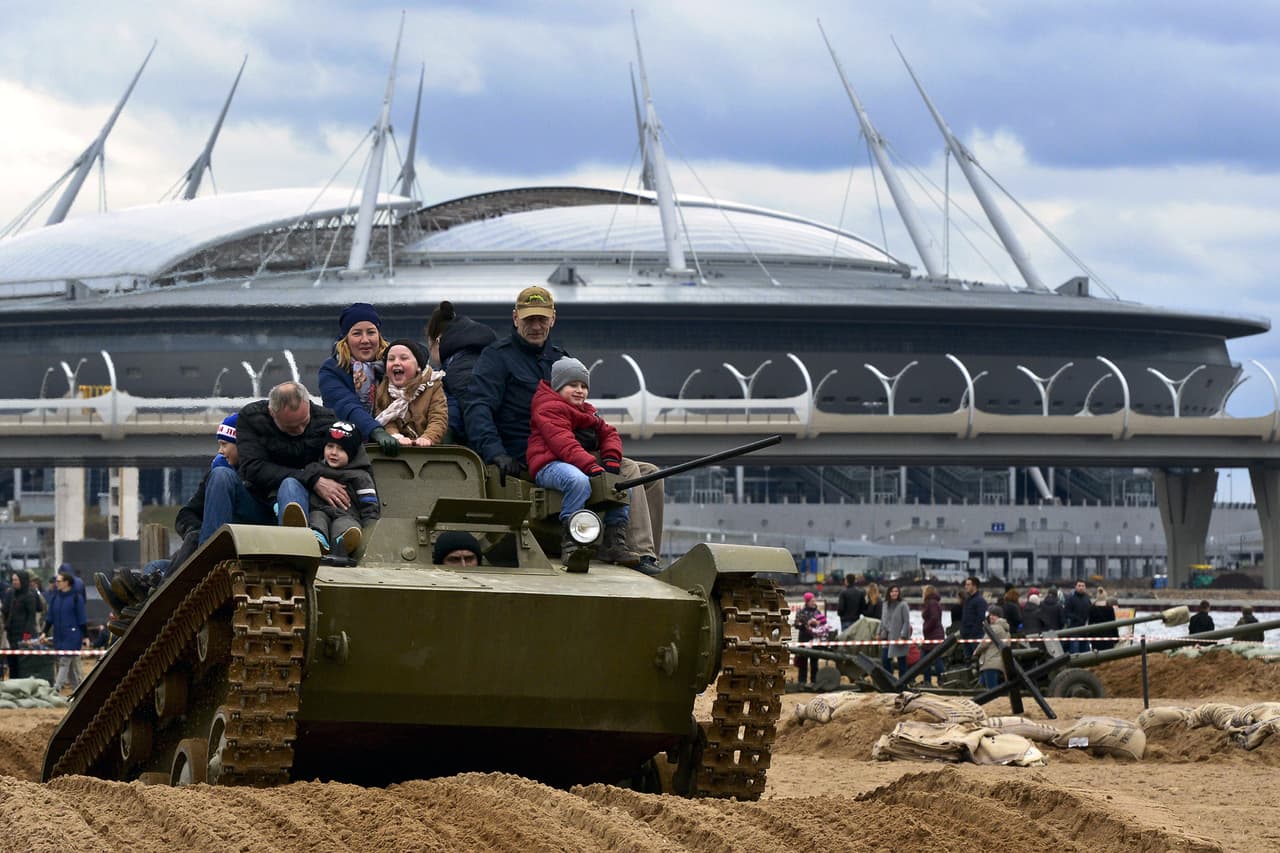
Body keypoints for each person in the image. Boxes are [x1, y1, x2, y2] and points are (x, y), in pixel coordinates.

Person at [464, 286, 663, 570]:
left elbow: (580, 411)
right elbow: (478, 408)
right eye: (529, 319)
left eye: (541, 319)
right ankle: (632, 552)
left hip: (569, 450)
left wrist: (593, 438)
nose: (535, 326)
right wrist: (495, 452)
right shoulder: (497, 358)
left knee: (651, 476)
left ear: (553, 319)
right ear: (515, 318)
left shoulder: (560, 360)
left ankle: (647, 555)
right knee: (627, 470)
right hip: (530, 456)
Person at [527, 356, 639, 564]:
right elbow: (564, 442)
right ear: (558, 386)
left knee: (621, 486)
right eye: (572, 385)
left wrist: (611, 460)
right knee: (577, 482)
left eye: (583, 386)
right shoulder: (548, 407)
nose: (579, 390)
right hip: (549, 465)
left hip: (576, 463)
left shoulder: (588, 411)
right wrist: (591, 467)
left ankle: (613, 542)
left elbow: (610, 434)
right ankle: (572, 541)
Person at [236, 380, 339, 535]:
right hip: (260, 499)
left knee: (291, 486)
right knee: (220, 475)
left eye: (304, 423)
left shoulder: (327, 421)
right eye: (290, 427)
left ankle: (296, 543)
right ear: (272, 413)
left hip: (311, 502)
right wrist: (310, 478)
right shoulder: (251, 418)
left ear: (309, 405)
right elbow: (252, 468)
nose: (299, 430)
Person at [317, 302, 399, 455]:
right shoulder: (332, 369)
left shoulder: (395, 363)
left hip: (398, 444)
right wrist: (376, 431)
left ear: (379, 335)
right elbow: (346, 405)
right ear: (345, 338)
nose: (365, 340)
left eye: (371, 332)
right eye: (357, 333)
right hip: (348, 449)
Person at [303, 421, 381, 556]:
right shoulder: (315, 469)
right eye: (330, 446)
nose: (333, 452)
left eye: (341, 449)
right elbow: (301, 476)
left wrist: (371, 531)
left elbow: (370, 507)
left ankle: (343, 541)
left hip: (347, 515)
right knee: (316, 519)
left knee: (346, 525)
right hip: (320, 510)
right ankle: (317, 541)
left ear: (352, 453)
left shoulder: (360, 477)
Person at [426, 300, 496, 445]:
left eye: (430, 345)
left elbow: (476, 411)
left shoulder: (458, 369)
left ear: (438, 341)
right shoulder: (483, 357)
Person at [373, 338, 448, 447]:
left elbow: (439, 417)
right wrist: (395, 435)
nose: (396, 362)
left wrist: (428, 437)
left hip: (430, 450)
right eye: (391, 359)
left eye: (404, 358)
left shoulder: (433, 386)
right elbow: (384, 419)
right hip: (397, 451)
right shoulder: (383, 389)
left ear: (418, 366)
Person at [44, 570, 86, 693]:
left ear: (67, 583)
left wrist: (86, 636)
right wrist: (44, 632)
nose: (56, 583)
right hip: (59, 635)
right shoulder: (55, 598)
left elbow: (82, 619)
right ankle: (78, 690)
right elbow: (49, 618)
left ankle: (56, 689)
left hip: (72, 636)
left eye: (58, 581)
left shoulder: (77, 598)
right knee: (71, 666)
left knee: (64, 662)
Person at [3, 570, 40, 678]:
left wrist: (26, 636)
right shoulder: (10, 593)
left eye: (16, 580)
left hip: (23, 636)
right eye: (13, 580)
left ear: (22, 581)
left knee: (23, 664)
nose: (14, 582)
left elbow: (31, 618)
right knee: (12, 663)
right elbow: (5, 610)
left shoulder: (29, 596)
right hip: (11, 635)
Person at [877, 584, 912, 678]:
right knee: (885, 659)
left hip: (898, 637)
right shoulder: (885, 604)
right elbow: (882, 620)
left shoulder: (903, 605)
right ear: (889, 593)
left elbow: (906, 622)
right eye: (892, 591)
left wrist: (903, 636)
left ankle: (903, 681)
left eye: (896, 591)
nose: (894, 593)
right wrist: (878, 633)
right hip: (886, 637)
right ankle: (889, 679)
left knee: (901, 661)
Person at [974, 605, 1010, 689]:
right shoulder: (1005, 629)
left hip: (990, 661)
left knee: (991, 689)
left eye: (994, 615)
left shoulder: (994, 628)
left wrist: (976, 651)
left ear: (999, 616)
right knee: (981, 686)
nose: (991, 617)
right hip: (998, 661)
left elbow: (984, 643)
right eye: (990, 615)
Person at [793, 592, 822, 690]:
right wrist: (806, 624)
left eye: (814, 600)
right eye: (811, 601)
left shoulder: (818, 612)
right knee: (803, 662)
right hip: (804, 638)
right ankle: (802, 682)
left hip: (815, 639)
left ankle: (814, 682)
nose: (813, 602)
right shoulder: (801, 612)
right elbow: (796, 624)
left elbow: (823, 624)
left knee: (814, 661)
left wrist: (817, 623)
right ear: (807, 602)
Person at [920, 584, 945, 686]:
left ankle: (938, 680)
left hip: (933, 635)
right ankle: (931, 680)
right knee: (931, 659)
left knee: (931, 658)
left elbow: (934, 618)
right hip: (934, 634)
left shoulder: (931, 603)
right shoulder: (933, 602)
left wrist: (926, 628)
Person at [959, 576, 988, 659]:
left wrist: (973, 632)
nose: (966, 586)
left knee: (977, 659)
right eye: (966, 584)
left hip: (975, 636)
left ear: (974, 586)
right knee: (968, 660)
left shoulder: (980, 601)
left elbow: (981, 618)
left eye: (968, 584)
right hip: (966, 635)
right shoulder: (968, 600)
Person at [1064, 580, 1092, 653]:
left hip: (1085, 628)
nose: (1081, 588)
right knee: (1074, 650)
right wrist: (1076, 618)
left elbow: (1090, 611)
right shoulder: (1071, 599)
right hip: (1074, 628)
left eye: (1083, 586)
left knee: (1085, 650)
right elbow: (1066, 612)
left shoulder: (1087, 598)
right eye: (1079, 586)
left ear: (1085, 587)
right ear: (1075, 587)